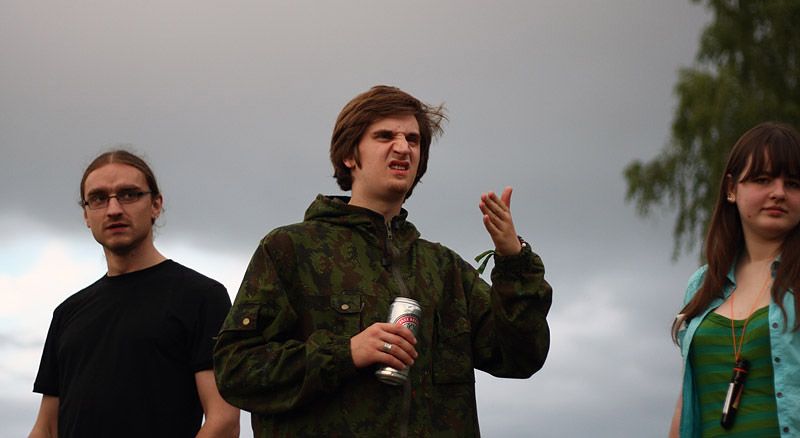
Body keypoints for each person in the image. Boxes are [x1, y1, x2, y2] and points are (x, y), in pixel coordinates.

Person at [214, 85, 552, 437]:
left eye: (413, 139)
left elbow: (522, 357)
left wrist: (514, 262)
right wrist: (346, 353)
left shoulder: (445, 269)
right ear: (349, 155)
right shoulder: (290, 249)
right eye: (385, 136)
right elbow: (235, 370)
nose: (403, 147)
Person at [29, 149, 240, 438]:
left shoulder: (202, 297)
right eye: (98, 198)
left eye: (129, 194)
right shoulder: (67, 313)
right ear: (86, 215)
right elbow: (46, 428)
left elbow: (223, 422)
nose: (113, 209)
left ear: (156, 204)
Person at [670, 122, 800, 437]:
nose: (778, 192)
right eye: (762, 179)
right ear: (731, 188)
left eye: (793, 184)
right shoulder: (702, 284)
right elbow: (686, 401)